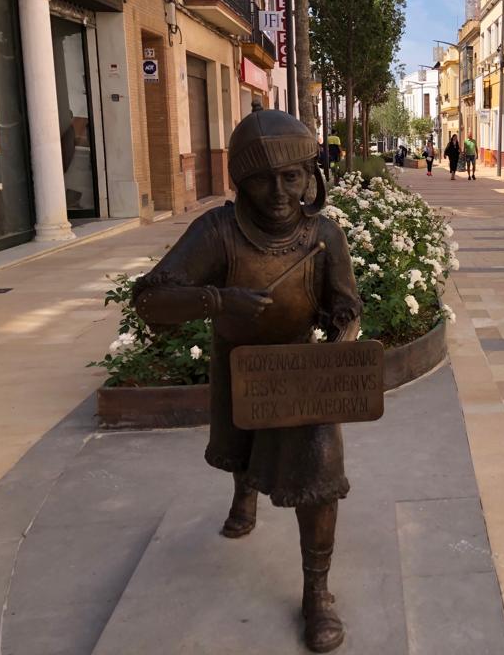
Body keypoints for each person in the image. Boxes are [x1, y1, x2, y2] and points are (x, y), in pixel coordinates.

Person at [132, 105, 361, 653]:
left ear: (312, 176)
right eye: (262, 181)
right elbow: (149, 298)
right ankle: (245, 494)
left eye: (291, 177)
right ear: (240, 182)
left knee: (323, 472)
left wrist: (342, 322)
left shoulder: (323, 236)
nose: (280, 192)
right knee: (243, 449)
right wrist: (216, 299)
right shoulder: (217, 232)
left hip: (302, 373)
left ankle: (316, 592)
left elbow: (346, 299)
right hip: (241, 366)